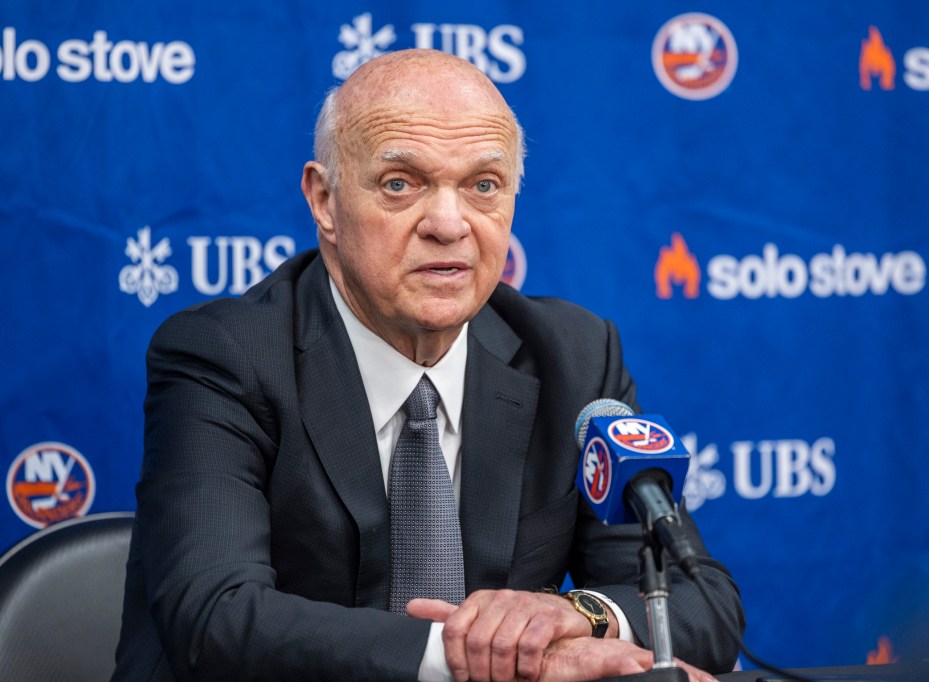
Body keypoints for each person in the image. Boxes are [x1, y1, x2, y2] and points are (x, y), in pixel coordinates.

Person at [112, 49, 743, 682]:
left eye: (483, 186)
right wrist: (481, 658)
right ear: (325, 201)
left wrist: (579, 616)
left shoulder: (572, 356)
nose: (449, 224)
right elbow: (216, 618)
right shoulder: (225, 356)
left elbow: (701, 604)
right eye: (400, 184)